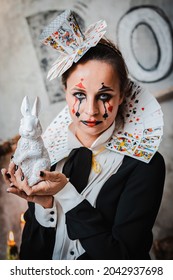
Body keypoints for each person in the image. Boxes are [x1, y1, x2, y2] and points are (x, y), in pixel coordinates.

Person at [1, 10, 165, 260]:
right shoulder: (48, 158)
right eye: (79, 95)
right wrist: (44, 206)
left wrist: (65, 193)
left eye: (104, 96)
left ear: (122, 96)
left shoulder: (145, 165)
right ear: (65, 91)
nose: (90, 110)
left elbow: (122, 261)